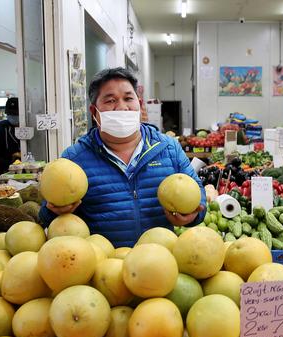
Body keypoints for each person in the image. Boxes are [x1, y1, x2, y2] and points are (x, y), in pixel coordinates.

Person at [39, 67, 206, 247]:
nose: (121, 107)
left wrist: (192, 216)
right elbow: (46, 215)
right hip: (102, 266)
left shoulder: (168, 148)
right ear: (94, 111)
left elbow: (198, 197)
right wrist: (54, 211)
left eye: (128, 98)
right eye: (110, 100)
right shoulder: (74, 159)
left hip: (160, 264)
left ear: (139, 104)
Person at [0, 97, 21, 177]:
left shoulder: (28, 127)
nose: (13, 116)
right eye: (11, 114)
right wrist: (11, 164)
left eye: (16, 114)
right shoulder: (0, 129)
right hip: (4, 175)